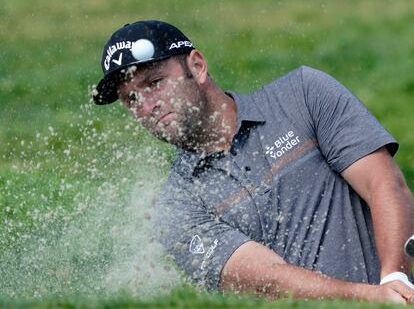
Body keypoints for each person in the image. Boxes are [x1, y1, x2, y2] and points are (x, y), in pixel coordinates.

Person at [93, 20, 414, 303]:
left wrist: (393, 280)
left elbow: (384, 183)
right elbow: (267, 281)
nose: (148, 105)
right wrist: (369, 298)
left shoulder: (303, 95)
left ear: (198, 66)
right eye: (131, 99)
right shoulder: (175, 208)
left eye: (154, 82)